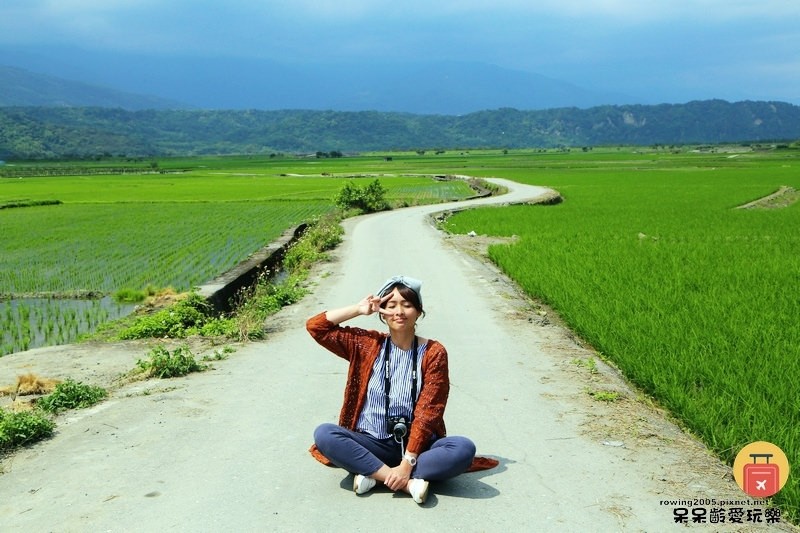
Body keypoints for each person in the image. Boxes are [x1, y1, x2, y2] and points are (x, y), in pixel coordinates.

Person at [307, 275, 493, 505]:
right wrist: (359, 308)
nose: (399, 312)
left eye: (407, 305)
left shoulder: (434, 352)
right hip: (371, 442)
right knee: (325, 434)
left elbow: (429, 411)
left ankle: (373, 475)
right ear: (382, 313)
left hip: (419, 449)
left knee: (463, 448)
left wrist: (408, 463)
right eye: (391, 305)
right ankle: (403, 483)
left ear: (418, 311)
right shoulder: (367, 344)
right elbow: (316, 327)